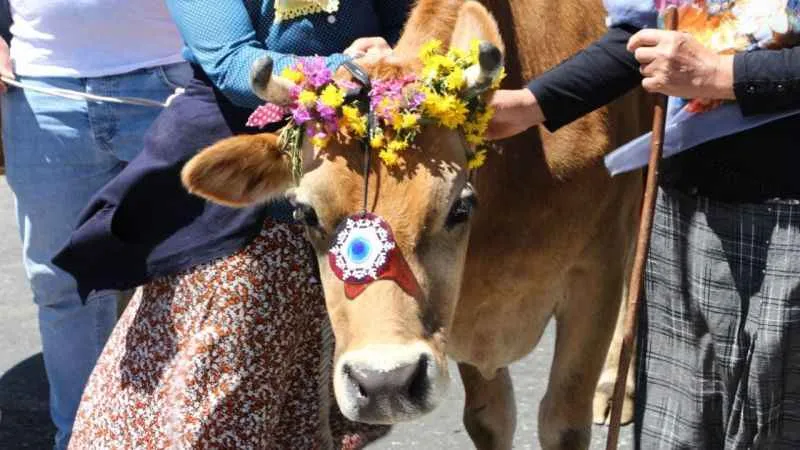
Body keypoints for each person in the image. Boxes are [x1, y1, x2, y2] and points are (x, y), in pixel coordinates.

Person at [53, 1, 412, 448]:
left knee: (317, 399)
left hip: (341, 200)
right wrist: (346, 70)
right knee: (221, 388)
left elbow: (410, 27)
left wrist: (394, 58)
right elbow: (234, 63)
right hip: (243, 200)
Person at [488, 1, 800, 448]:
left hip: (788, 220)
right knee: (678, 428)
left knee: (775, 425)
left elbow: (704, 67)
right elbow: (642, 40)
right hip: (684, 211)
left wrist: (724, 76)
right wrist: (532, 103)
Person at [0, 1, 190, 448]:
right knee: (64, 282)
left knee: (192, 275)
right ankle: (82, 438)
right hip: (43, 91)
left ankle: (185, 434)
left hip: (173, 76)